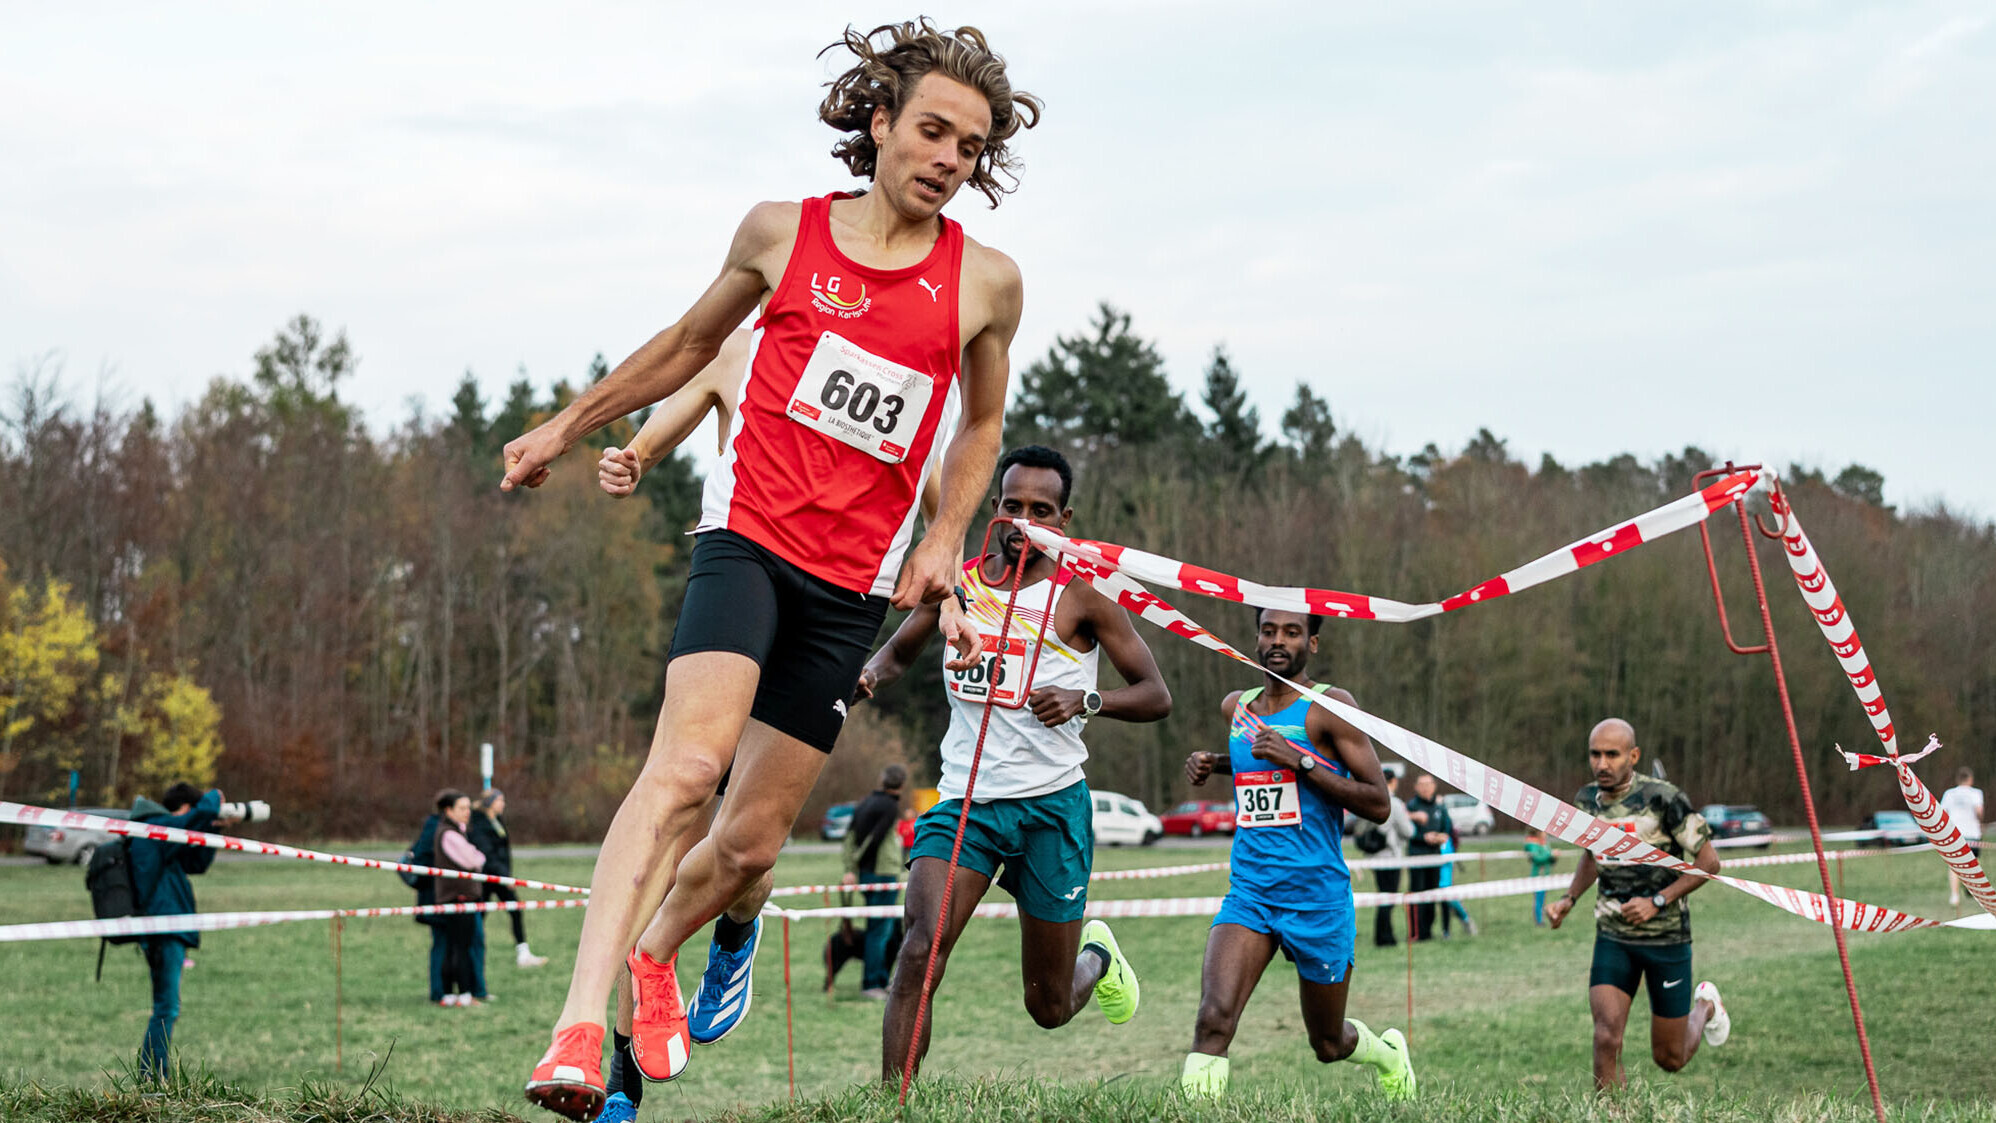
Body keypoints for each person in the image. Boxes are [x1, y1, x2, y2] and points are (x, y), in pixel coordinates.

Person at [511, 19, 1036, 1114]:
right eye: (932, 131)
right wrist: (568, 427)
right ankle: (573, 1025)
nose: (948, 159)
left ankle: (659, 955)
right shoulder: (779, 233)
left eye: (971, 147)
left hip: (853, 584)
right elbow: (688, 345)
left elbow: (981, 428)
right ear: (879, 122)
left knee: (749, 842)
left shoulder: (986, 284)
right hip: (746, 543)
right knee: (688, 772)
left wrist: (942, 540)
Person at [855, 444, 1172, 1083]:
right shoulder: (960, 584)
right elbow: (896, 656)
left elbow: (1156, 695)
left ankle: (1098, 961)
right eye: (1011, 505)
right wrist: (856, 681)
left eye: (1041, 510)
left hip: (1052, 805)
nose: (1023, 519)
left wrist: (1087, 698)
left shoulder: (1084, 597)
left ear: (1064, 520)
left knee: (1048, 1006)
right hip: (966, 802)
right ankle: (893, 1103)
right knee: (919, 949)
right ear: (993, 508)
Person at [1178, 609, 1415, 1101]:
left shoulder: (1330, 708)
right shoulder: (1237, 708)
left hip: (1317, 898)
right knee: (1213, 1020)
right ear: (1256, 640)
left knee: (1327, 1043)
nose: (1278, 641)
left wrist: (1300, 759)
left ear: (1314, 643)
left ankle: (1388, 1053)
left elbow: (1378, 803)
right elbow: (1257, 762)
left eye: (1291, 632)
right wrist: (1215, 764)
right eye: (1268, 632)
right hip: (1251, 894)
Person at [1545, 718, 1731, 1091]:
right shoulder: (1586, 801)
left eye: (1612, 755)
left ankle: (1706, 1007)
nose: (1602, 764)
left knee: (1670, 1058)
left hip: (1666, 940)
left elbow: (1709, 863)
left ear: (1633, 756)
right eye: (1595, 755)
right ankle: (1614, 1116)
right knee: (1606, 1037)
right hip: (1614, 936)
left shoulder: (1665, 799)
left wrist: (1658, 901)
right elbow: (1592, 857)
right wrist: (1569, 898)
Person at [126, 782, 241, 1081]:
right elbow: (189, 822)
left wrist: (213, 827)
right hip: (164, 929)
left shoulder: (162, 837)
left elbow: (196, 862)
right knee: (166, 1007)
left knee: (166, 1006)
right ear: (186, 808)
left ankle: (153, 1074)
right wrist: (215, 798)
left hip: (167, 927)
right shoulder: (156, 827)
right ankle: (152, 1077)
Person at [841, 764, 910, 999]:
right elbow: (875, 839)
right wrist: (857, 863)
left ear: (882, 780)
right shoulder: (890, 806)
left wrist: (851, 868)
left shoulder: (865, 802)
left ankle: (882, 979)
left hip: (867, 874)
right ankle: (872, 984)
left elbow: (849, 837)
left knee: (882, 930)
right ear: (901, 785)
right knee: (879, 931)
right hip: (883, 874)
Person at [471, 790, 550, 969]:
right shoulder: (479, 823)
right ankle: (472, 952)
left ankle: (523, 953)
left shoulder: (496, 821)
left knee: (515, 910)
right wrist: (506, 878)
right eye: (500, 800)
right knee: (479, 915)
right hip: (488, 878)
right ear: (490, 803)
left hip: (500, 876)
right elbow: (488, 854)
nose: (503, 804)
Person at [432, 789, 490, 1006]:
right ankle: (463, 995)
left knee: (453, 946)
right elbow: (474, 860)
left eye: (468, 808)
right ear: (449, 810)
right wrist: (477, 854)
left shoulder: (456, 831)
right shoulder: (449, 834)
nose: (467, 812)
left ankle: (450, 995)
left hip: (456, 897)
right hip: (459, 898)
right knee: (460, 947)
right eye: (462, 808)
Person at [1349, 766, 1412, 947]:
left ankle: (1385, 934)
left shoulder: (1369, 801)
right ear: (1394, 782)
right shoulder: (1395, 804)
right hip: (1390, 857)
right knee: (1389, 898)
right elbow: (1407, 831)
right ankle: (1384, 937)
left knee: (1382, 896)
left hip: (1374, 857)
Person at [1403, 774, 1452, 942]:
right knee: (1417, 894)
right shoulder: (1411, 806)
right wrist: (1423, 837)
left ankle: (1429, 931)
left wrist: (1441, 836)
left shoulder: (1440, 807)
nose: (1425, 787)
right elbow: (1406, 832)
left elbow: (1447, 828)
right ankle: (1416, 933)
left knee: (1433, 894)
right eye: (1421, 784)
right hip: (1417, 857)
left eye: (1428, 784)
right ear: (1416, 787)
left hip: (1435, 857)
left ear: (1434, 786)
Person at [1939, 767, 1984, 907]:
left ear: (1958, 779)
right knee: (1973, 863)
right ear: (1970, 779)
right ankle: (1972, 889)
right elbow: (1979, 812)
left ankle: (1955, 895)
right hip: (1972, 834)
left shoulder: (1949, 794)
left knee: (1954, 865)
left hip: (1954, 835)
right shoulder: (1976, 793)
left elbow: (1942, 813)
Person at [1437, 826, 1477, 938]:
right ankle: (1451, 928)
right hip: (1439, 878)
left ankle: (1466, 919)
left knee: (1451, 902)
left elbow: (1445, 857)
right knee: (1447, 905)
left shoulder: (1446, 841)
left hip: (1444, 880)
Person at [1526, 827, 1557, 925]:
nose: (1546, 834)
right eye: (1544, 832)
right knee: (1539, 899)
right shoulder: (1532, 844)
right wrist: (1550, 855)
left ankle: (1541, 918)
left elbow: (1549, 860)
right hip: (1537, 875)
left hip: (1545, 874)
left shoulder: (1545, 844)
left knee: (1542, 898)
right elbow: (1537, 859)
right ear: (1538, 832)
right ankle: (1539, 921)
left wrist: (1553, 857)